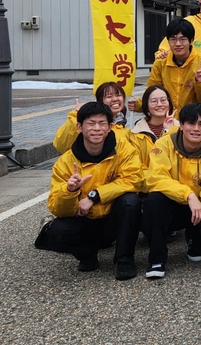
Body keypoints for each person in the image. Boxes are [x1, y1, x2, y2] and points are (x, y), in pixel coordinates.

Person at [36, 102, 143, 280]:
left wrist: (95, 196)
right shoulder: (66, 162)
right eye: (91, 123)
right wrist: (69, 191)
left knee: (131, 202)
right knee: (57, 231)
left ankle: (124, 260)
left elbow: (134, 179)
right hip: (84, 221)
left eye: (102, 123)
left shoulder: (123, 149)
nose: (96, 128)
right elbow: (56, 208)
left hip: (111, 219)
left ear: (110, 127)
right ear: (79, 127)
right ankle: (87, 255)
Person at [142, 103, 201, 278]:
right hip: (172, 205)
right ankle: (157, 259)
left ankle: (196, 243)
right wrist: (188, 195)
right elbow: (155, 179)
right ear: (181, 125)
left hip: (200, 209)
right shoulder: (164, 144)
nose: (196, 129)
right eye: (191, 123)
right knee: (154, 202)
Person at [147, 18, 201, 113]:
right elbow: (152, 92)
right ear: (168, 41)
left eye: (183, 39)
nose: (178, 44)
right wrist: (137, 104)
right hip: (167, 121)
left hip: (194, 121)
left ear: (191, 40)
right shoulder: (160, 63)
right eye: (173, 39)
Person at [53, 81, 131, 154]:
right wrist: (76, 118)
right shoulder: (86, 123)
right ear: (100, 101)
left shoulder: (124, 128)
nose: (115, 99)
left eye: (118, 95)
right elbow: (61, 145)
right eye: (109, 96)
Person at [129, 85, 179, 188]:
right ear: (146, 105)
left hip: (176, 187)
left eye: (163, 100)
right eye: (153, 101)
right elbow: (137, 167)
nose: (159, 104)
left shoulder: (181, 129)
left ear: (169, 103)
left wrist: (168, 131)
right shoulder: (135, 133)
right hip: (147, 186)